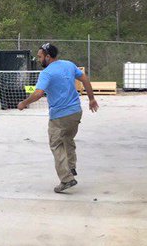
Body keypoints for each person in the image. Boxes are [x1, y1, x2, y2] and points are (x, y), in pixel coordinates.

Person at [16, 42, 99, 193]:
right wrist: (91, 99)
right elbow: (85, 79)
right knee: (68, 139)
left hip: (59, 116)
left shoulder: (46, 73)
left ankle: (66, 179)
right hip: (75, 112)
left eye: (40, 57)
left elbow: (38, 93)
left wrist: (24, 103)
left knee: (56, 144)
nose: (38, 59)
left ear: (48, 57)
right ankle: (71, 167)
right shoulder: (68, 65)